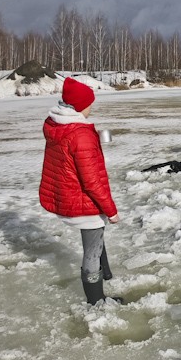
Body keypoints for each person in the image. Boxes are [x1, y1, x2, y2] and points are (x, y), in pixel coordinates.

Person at [39, 77, 123, 305]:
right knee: (92, 251)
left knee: (95, 239)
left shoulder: (57, 125)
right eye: (88, 104)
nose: (90, 109)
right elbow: (92, 181)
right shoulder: (80, 134)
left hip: (66, 196)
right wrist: (111, 211)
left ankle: (106, 275)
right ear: (78, 106)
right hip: (82, 203)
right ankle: (97, 302)